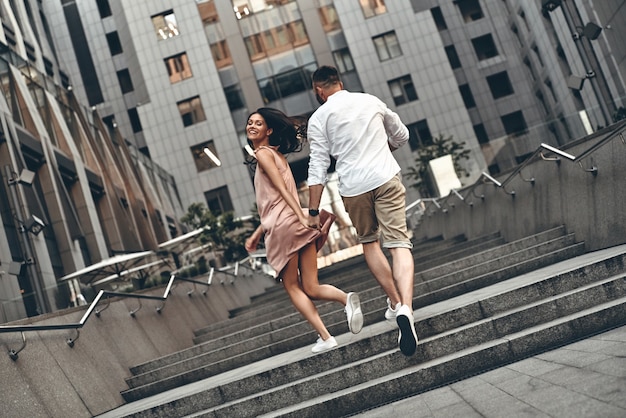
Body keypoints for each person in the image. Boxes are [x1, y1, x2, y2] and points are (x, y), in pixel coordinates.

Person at [306, 65, 418, 356]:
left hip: (354, 188)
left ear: (319, 89)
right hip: (385, 177)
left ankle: (393, 302)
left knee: (370, 243)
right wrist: (383, 149)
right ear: (340, 82)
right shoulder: (371, 101)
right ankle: (406, 307)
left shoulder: (318, 118)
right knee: (399, 245)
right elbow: (402, 136)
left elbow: (317, 168)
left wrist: (314, 212)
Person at [244, 107, 363, 354]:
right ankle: (346, 298)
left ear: (269, 130)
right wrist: (258, 234)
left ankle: (326, 336)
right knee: (311, 286)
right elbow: (274, 201)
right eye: (249, 123)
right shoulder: (278, 157)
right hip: (292, 225)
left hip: (283, 227)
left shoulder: (262, 155)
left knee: (292, 286)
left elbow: (284, 195)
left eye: (258, 123)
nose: (252, 126)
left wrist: (302, 215)